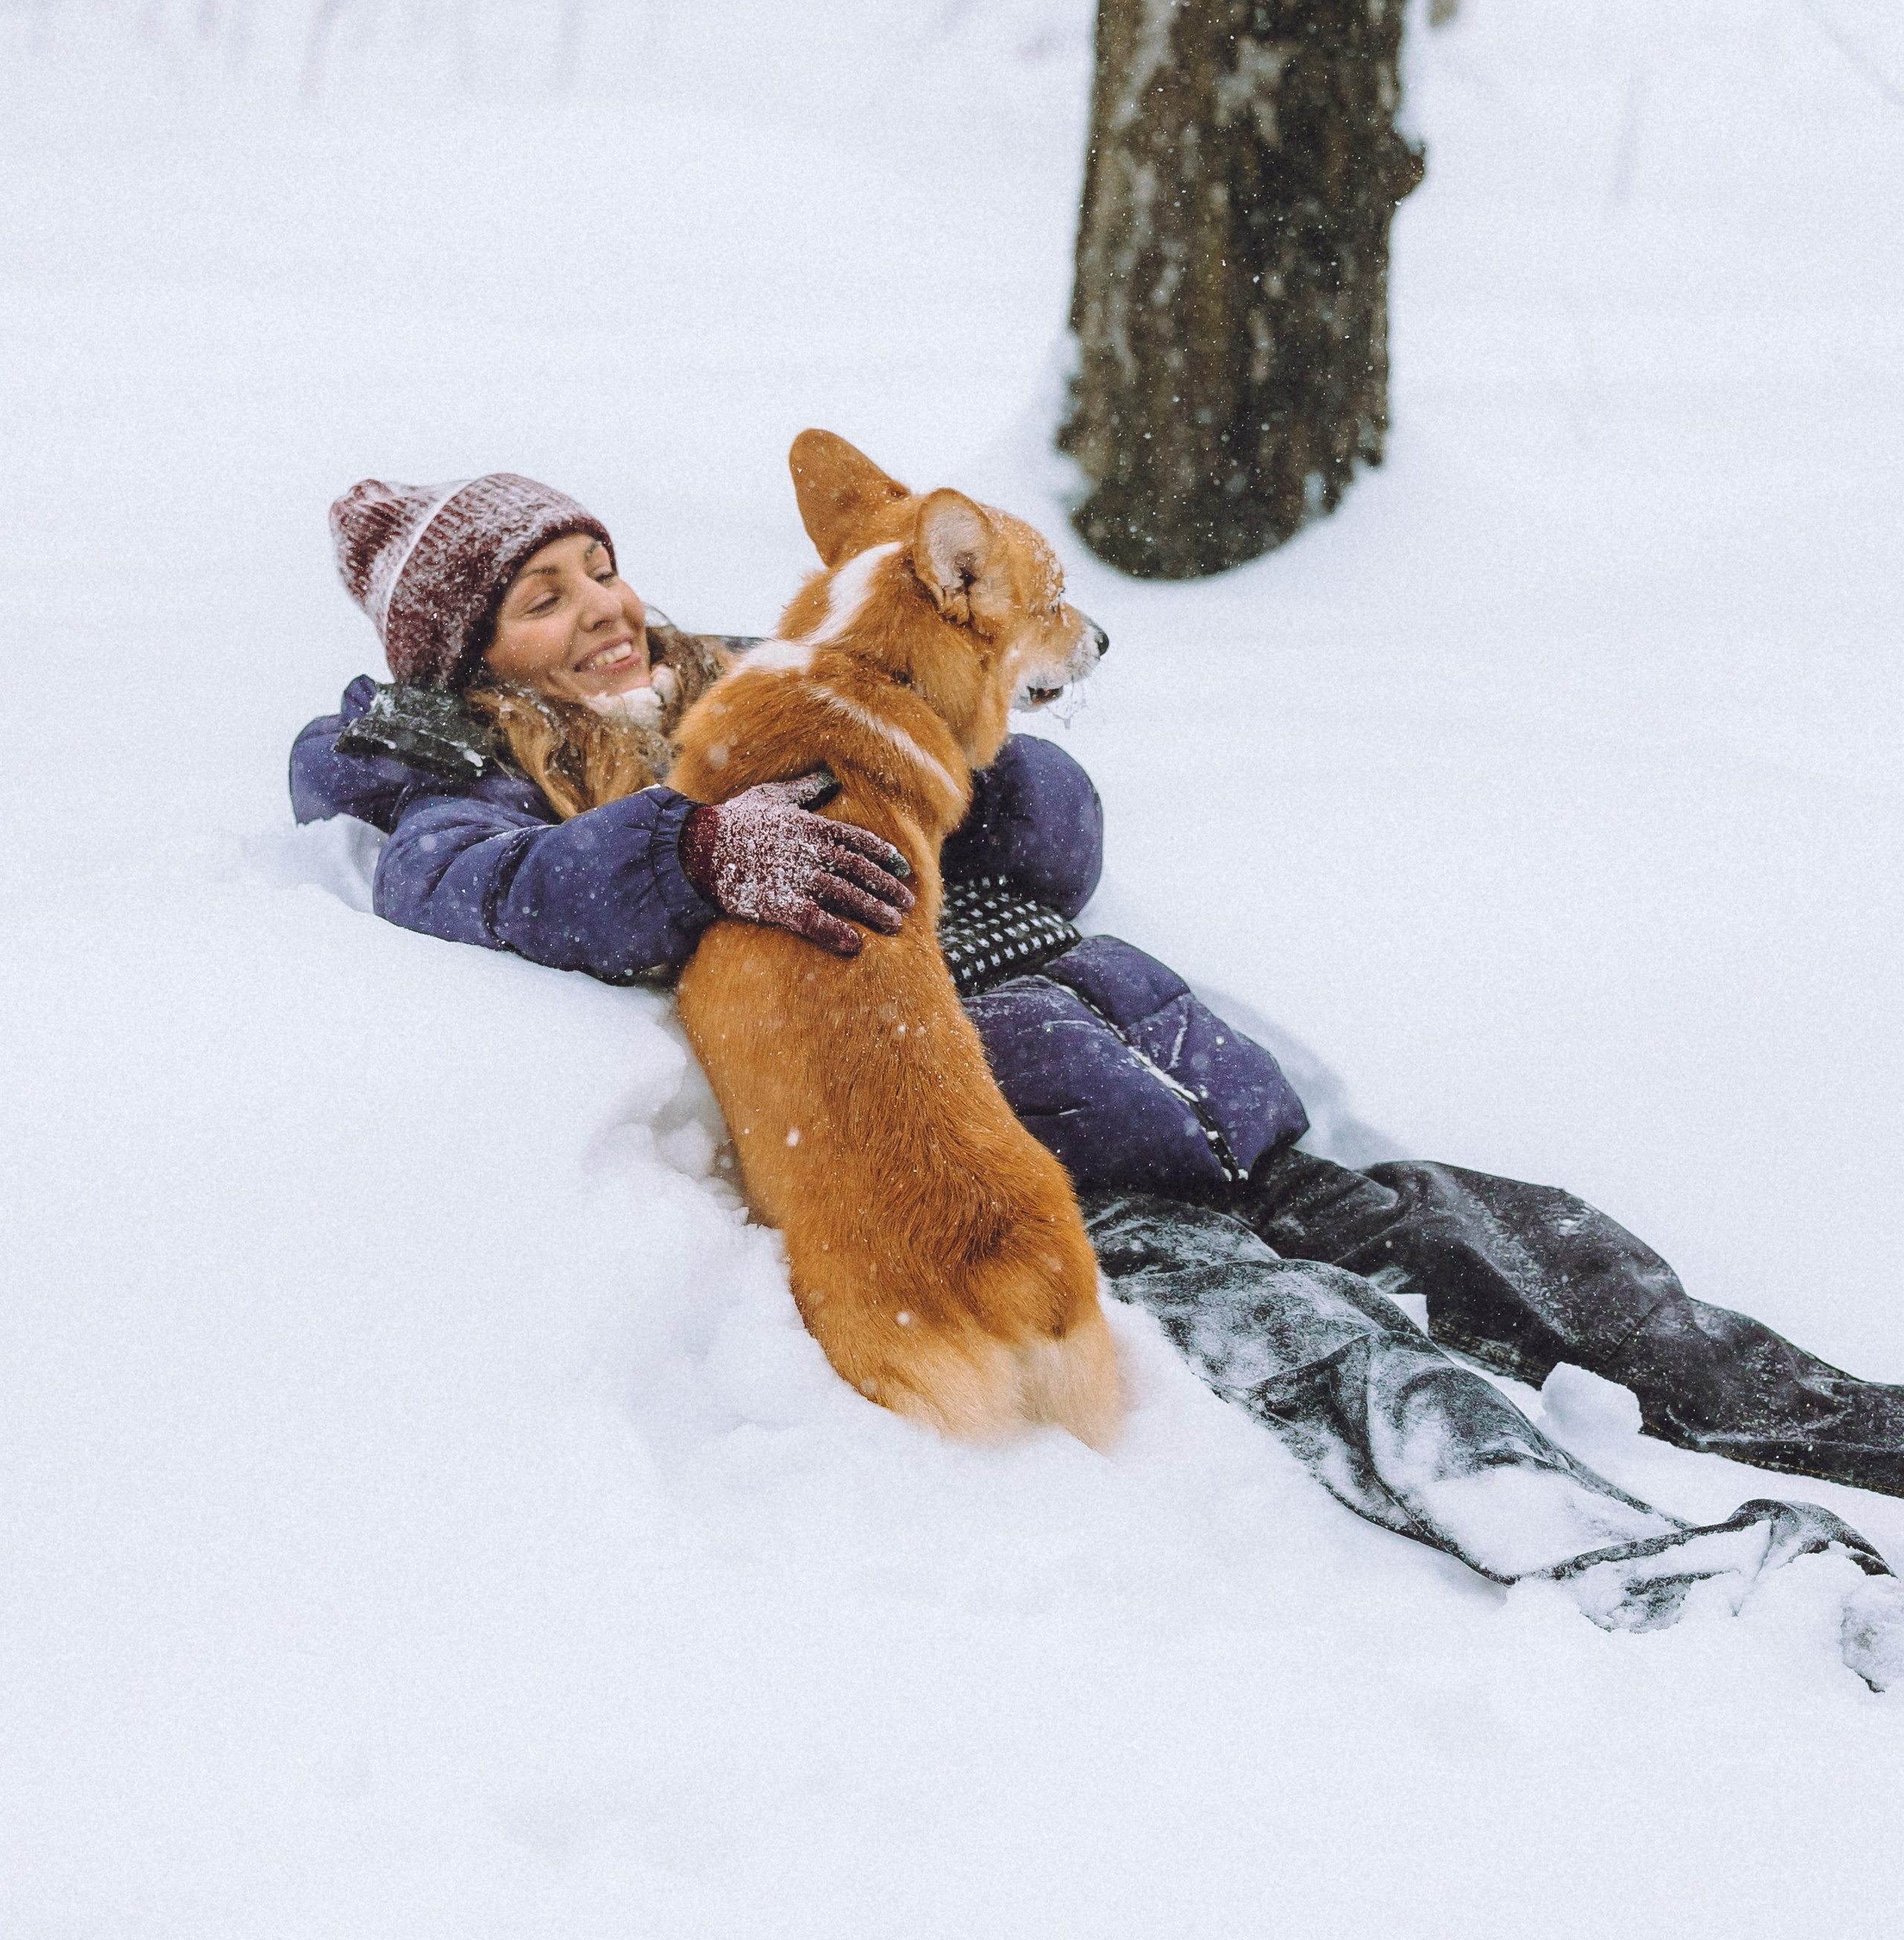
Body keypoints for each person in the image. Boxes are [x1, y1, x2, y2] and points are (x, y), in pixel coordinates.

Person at [292, 472, 1904, 1678]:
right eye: (543, 600)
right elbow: (468, 886)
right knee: (1334, 1358)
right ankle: (1684, 1584)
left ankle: (1845, 1427)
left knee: (1543, 1248)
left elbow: (1057, 846)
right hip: (1027, 1148)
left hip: (1195, 1089)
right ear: (471, 660)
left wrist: (948, 741)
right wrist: (701, 848)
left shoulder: (762, 678)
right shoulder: (473, 776)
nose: (602, 609)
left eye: (601, 567)